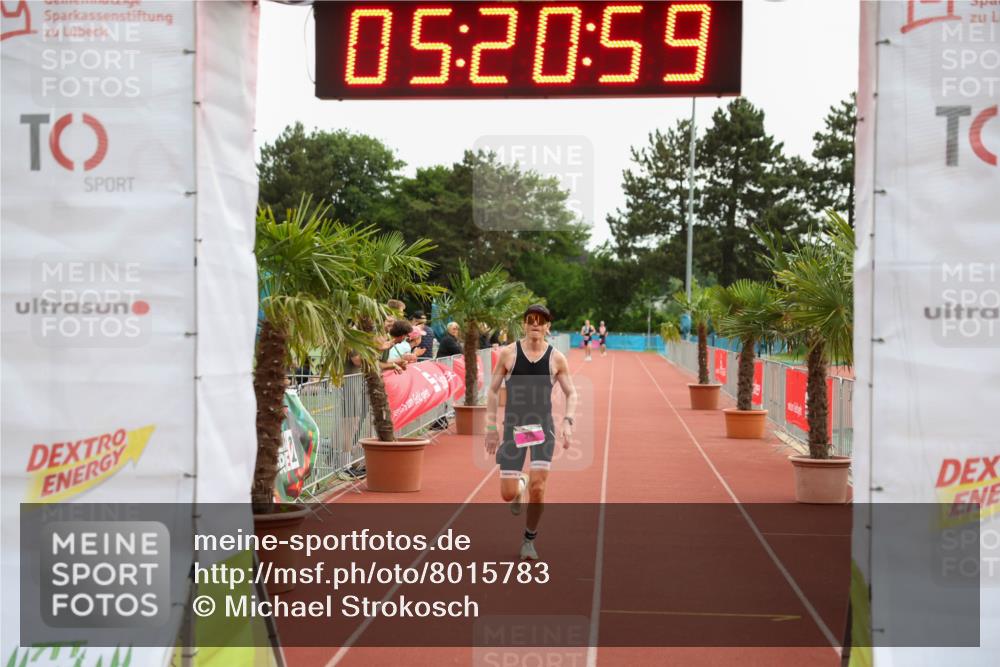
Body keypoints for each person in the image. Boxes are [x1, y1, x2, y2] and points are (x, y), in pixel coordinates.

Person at [485, 304, 577, 561]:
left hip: (542, 429)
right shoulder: (509, 354)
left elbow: (571, 393)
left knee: (539, 488)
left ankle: (529, 540)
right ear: (524, 325)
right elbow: (492, 391)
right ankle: (520, 485)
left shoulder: (557, 358)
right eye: (531, 320)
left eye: (541, 321)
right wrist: (491, 428)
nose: (535, 324)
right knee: (507, 495)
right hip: (514, 428)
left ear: (548, 326)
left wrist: (568, 421)